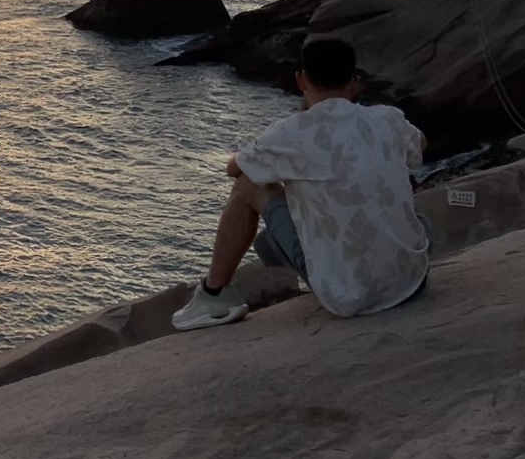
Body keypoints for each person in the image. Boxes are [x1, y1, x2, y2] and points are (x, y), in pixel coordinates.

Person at [172, 36, 431, 330]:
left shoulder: (290, 134)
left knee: (247, 185)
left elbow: (234, 169)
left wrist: (261, 154)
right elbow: (419, 145)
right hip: (412, 279)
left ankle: (213, 294)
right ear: (354, 82)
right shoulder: (387, 118)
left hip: (348, 295)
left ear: (300, 80)